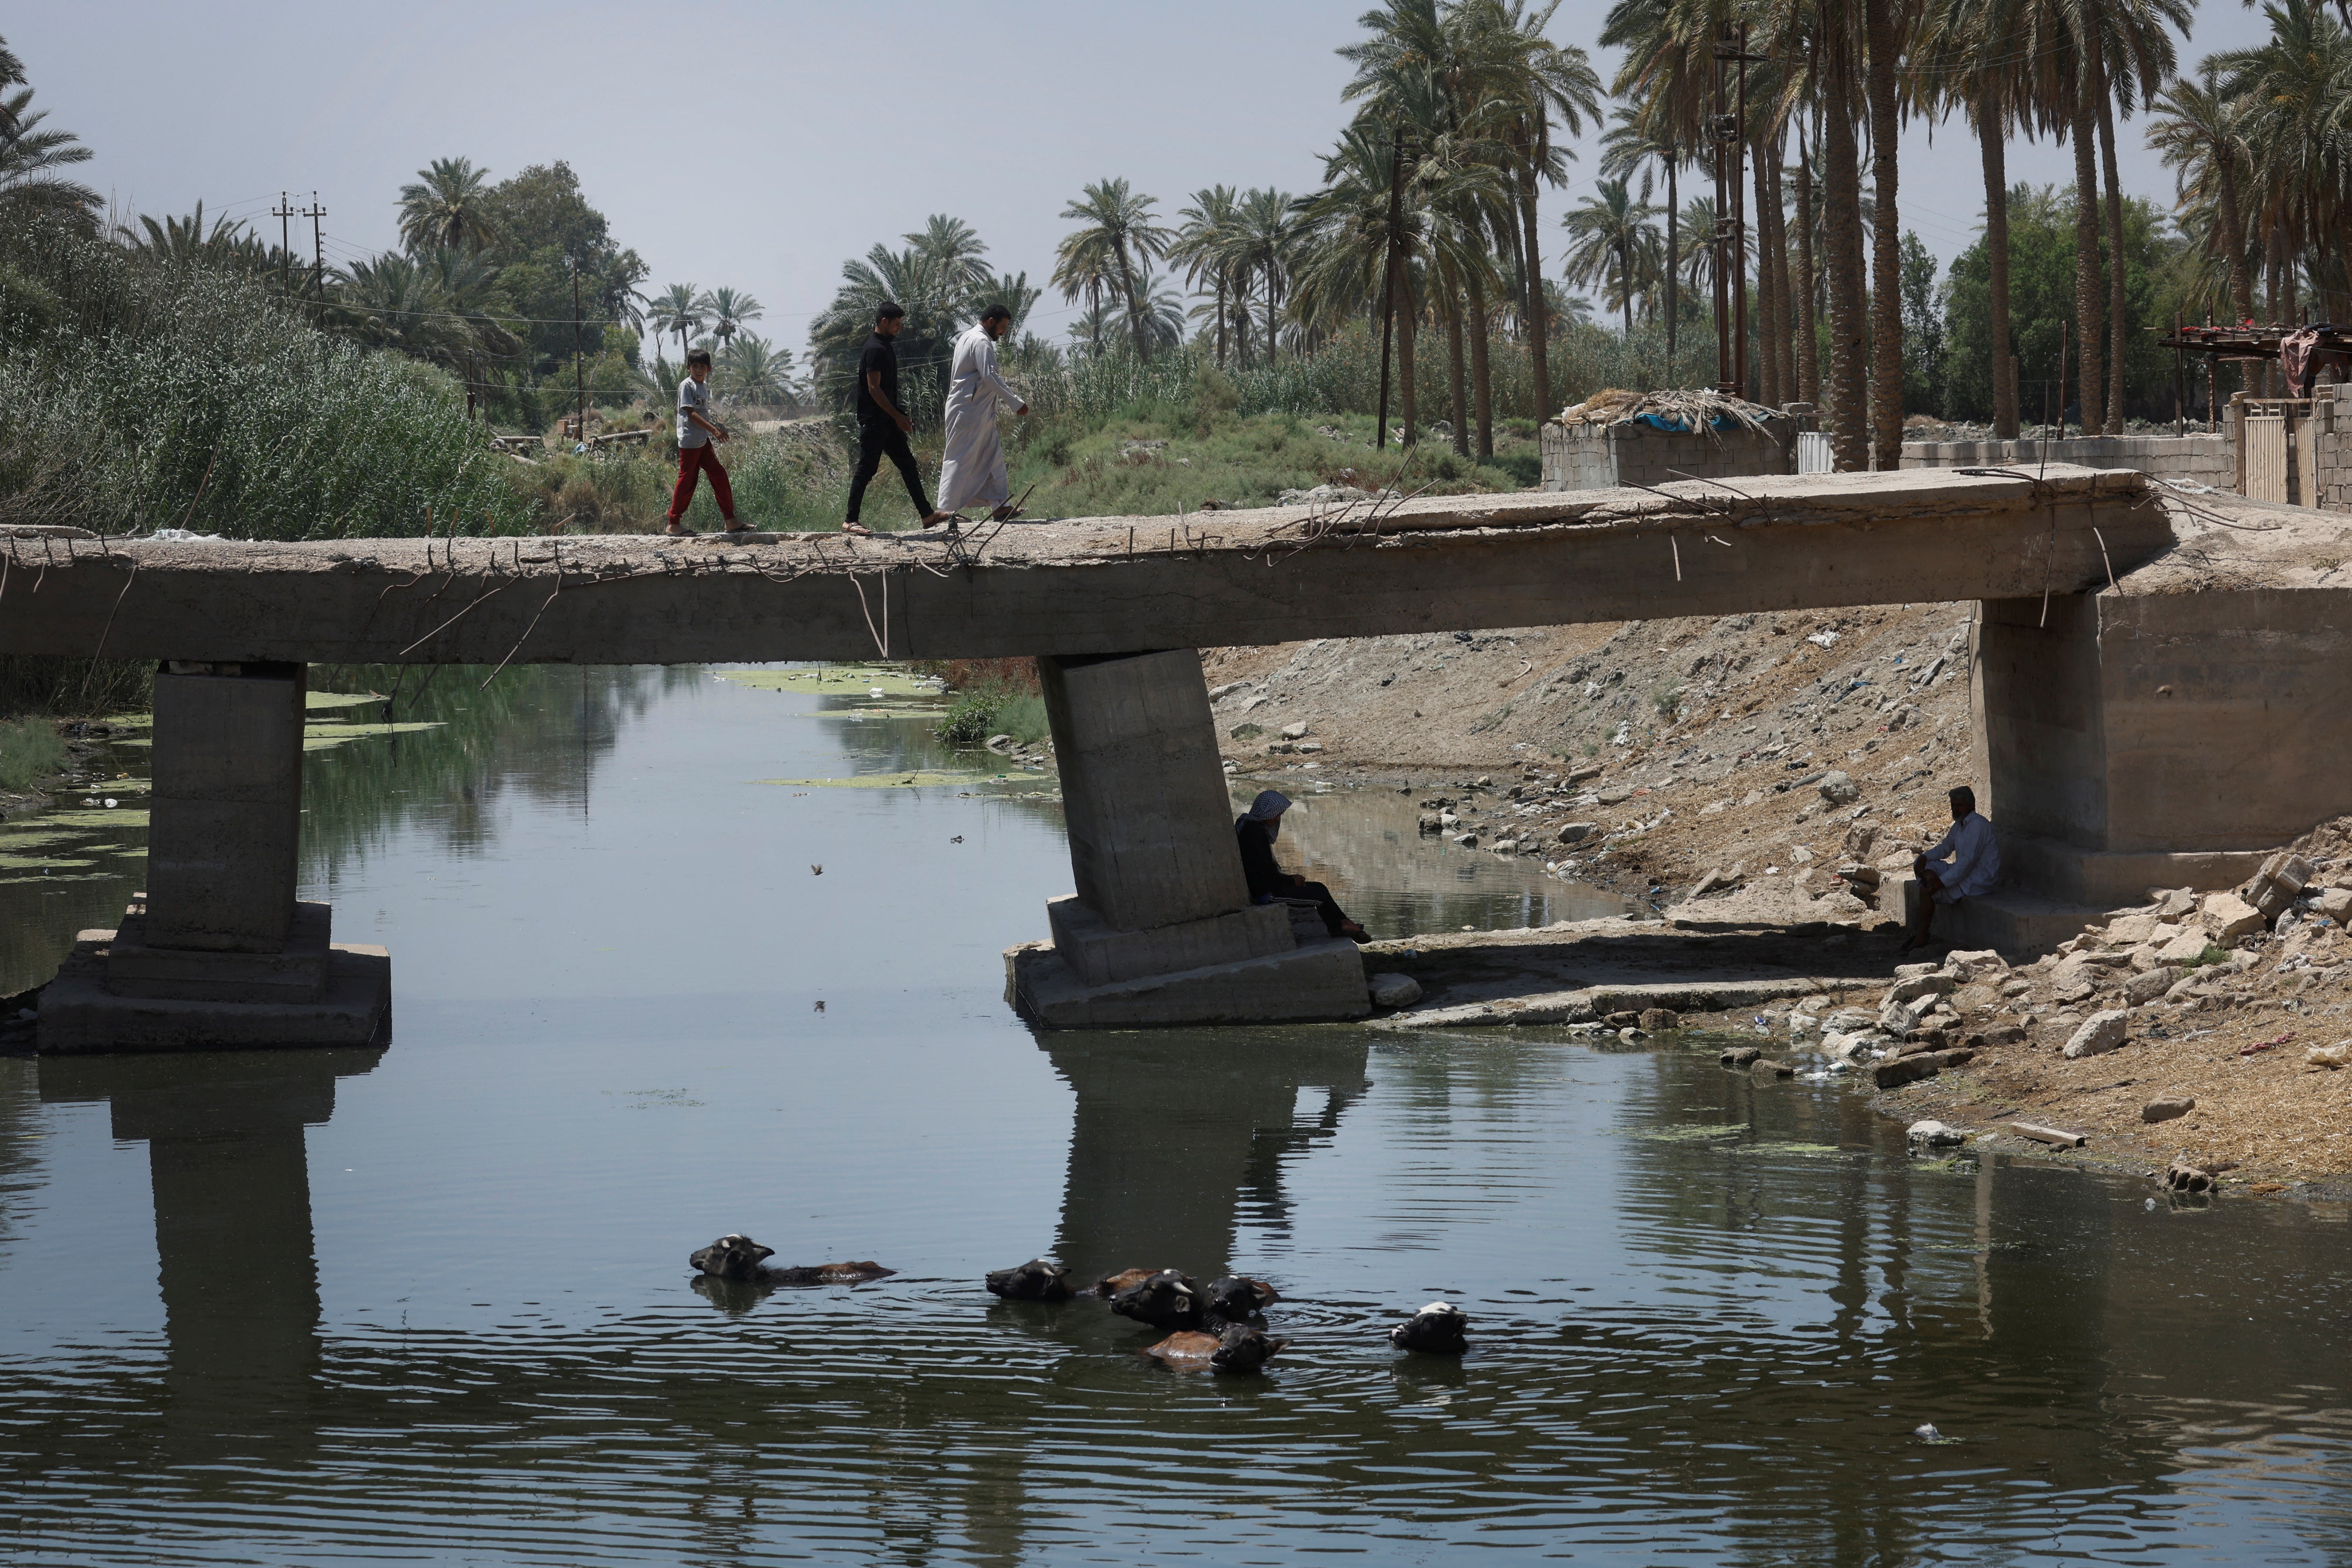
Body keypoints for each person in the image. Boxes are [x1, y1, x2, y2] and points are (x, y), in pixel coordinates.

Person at [843, 303, 954, 536]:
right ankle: (850, 521)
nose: (899, 329)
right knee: (866, 470)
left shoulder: (885, 347)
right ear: (884, 322)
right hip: (875, 422)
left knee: (908, 466)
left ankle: (927, 515)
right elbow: (874, 389)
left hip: (888, 422)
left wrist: (898, 415)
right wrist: (897, 416)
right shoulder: (875, 349)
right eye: (897, 324)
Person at [1235, 790, 1371, 945]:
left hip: (1269, 885)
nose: (1278, 818)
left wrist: (1289, 880)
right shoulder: (1254, 833)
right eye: (1277, 814)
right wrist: (1290, 881)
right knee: (1319, 896)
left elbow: (1264, 870)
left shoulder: (1254, 828)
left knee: (1320, 888)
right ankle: (1340, 925)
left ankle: (1341, 924)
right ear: (1267, 812)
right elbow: (1263, 874)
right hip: (1265, 893)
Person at [936, 304, 1028, 522]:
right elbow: (990, 376)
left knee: (993, 456)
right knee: (959, 458)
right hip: (968, 411)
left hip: (977, 412)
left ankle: (1000, 506)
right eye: (1003, 327)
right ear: (990, 322)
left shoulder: (968, 338)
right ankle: (946, 512)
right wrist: (1016, 403)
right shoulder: (980, 341)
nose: (1004, 332)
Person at [1905, 785, 2001, 953]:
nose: (1955, 809)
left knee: (1927, 889)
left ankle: (1922, 935)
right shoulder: (1959, 825)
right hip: (1964, 874)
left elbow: (1966, 863)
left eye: (1959, 806)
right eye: (1953, 805)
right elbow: (1946, 848)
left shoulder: (1978, 825)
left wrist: (1941, 883)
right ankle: (1922, 931)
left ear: (1970, 806)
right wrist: (1924, 858)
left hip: (1978, 881)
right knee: (1926, 867)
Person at [666, 349, 746, 536]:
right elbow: (690, 413)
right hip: (690, 441)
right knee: (687, 481)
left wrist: (713, 429)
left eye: (703, 366)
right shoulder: (687, 386)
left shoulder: (702, 386)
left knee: (719, 474)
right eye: (695, 366)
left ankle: (730, 520)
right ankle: (673, 523)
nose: (699, 369)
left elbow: (702, 413)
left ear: (709, 368)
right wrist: (715, 430)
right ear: (688, 368)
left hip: (702, 441)